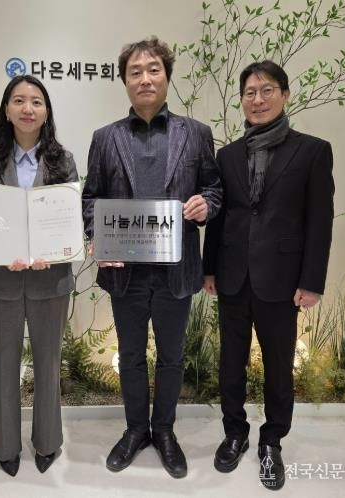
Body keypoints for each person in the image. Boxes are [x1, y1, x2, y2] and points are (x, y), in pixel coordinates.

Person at [82, 36, 222, 479]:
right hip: (125, 273)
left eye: (153, 70)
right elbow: (91, 198)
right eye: (135, 72)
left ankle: (163, 431)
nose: (145, 78)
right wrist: (96, 237)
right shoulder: (105, 138)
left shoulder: (196, 134)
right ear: (125, 81)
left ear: (167, 76)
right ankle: (134, 430)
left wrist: (206, 205)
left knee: (171, 357)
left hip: (175, 270)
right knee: (129, 356)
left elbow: (214, 189)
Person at [203, 60, 334, 490]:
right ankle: (234, 433)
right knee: (230, 363)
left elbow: (320, 221)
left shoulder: (312, 151)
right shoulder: (227, 155)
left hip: (282, 280)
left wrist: (312, 281)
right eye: (250, 93)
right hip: (232, 277)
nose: (257, 100)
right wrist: (209, 269)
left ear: (284, 94)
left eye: (266, 91)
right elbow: (220, 217)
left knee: (279, 365)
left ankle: (272, 440)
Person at [0, 75, 78, 476]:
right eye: (18, 100)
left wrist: (52, 251)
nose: (27, 108)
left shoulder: (62, 160)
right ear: (6, 110)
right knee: (4, 363)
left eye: (36, 101)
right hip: (0, 279)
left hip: (49, 279)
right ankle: (5, 445)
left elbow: (68, 218)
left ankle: (48, 441)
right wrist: (0, 251)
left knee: (48, 362)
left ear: (46, 111)